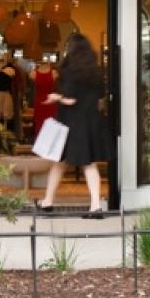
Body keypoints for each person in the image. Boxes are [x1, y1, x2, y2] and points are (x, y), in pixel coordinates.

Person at [36, 32, 114, 218]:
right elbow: (101, 99)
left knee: (60, 162)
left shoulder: (69, 71)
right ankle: (93, 205)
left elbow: (70, 100)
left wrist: (55, 97)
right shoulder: (96, 72)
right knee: (87, 164)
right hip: (92, 121)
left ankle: (49, 201)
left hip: (71, 123)